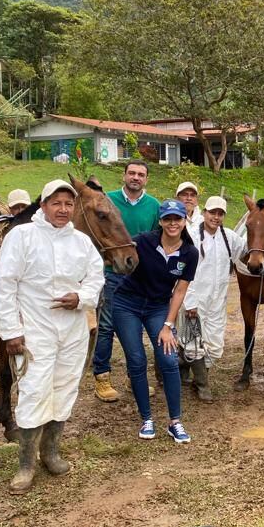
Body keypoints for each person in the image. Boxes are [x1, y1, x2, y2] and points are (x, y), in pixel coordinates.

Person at [0, 179, 104, 494]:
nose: (63, 209)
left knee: (65, 387)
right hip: (34, 330)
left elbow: (96, 277)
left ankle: (50, 452)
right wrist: (11, 332)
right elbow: (3, 285)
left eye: (68, 204)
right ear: (43, 205)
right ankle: (25, 464)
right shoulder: (22, 236)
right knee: (33, 390)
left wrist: (81, 297)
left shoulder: (81, 241)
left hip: (72, 329)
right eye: (56, 203)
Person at [111, 199, 199, 443]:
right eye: (167, 219)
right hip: (127, 304)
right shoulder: (142, 241)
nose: (172, 223)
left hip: (158, 307)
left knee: (168, 359)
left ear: (184, 221)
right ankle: (147, 418)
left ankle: (175, 422)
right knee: (137, 360)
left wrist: (168, 326)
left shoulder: (190, 253)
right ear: (160, 221)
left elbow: (180, 291)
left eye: (177, 219)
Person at [92, 160, 160, 402]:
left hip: (138, 276)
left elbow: (155, 242)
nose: (136, 177)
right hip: (111, 273)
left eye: (141, 174)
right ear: (124, 176)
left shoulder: (154, 206)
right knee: (107, 327)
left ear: (146, 179)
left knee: (136, 328)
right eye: (131, 173)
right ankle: (102, 377)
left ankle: (135, 377)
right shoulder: (106, 201)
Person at [180, 194, 245, 402]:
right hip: (195, 300)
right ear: (205, 212)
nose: (215, 217)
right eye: (212, 212)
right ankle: (202, 385)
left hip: (218, 301)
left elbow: (245, 251)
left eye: (220, 214)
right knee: (193, 343)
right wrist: (189, 302)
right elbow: (183, 273)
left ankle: (186, 366)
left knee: (215, 346)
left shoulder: (229, 237)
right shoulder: (190, 235)